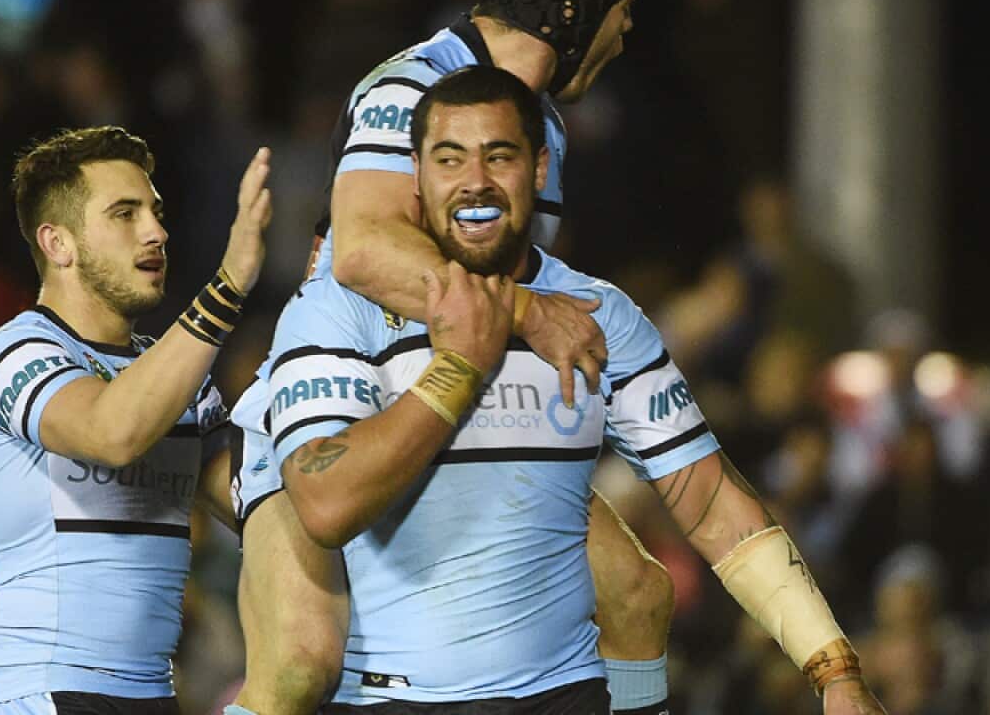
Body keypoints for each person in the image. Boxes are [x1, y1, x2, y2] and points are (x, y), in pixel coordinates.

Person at [263, 65, 886, 713]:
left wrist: (834, 669)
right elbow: (326, 503)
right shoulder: (340, 306)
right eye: (450, 159)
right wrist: (461, 366)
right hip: (388, 702)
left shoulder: (598, 313)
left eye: (498, 155)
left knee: (642, 591)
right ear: (415, 176)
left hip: (566, 697)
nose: (475, 180)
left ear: (537, 169)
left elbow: (711, 504)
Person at [230, 0, 676, 714]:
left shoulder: (541, 129)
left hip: (476, 414)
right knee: (300, 663)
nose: (626, 32)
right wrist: (529, 315)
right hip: (341, 400)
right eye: (622, 8)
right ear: (571, 9)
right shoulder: (408, 85)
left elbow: (515, 269)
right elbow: (365, 250)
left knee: (639, 592)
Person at [0, 126, 271, 714]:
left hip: (153, 695)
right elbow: (111, 432)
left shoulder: (179, 382)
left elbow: (264, 509)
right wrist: (226, 290)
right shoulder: (15, 352)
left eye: (154, 211)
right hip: (38, 693)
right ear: (58, 243)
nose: (156, 232)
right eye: (125, 214)